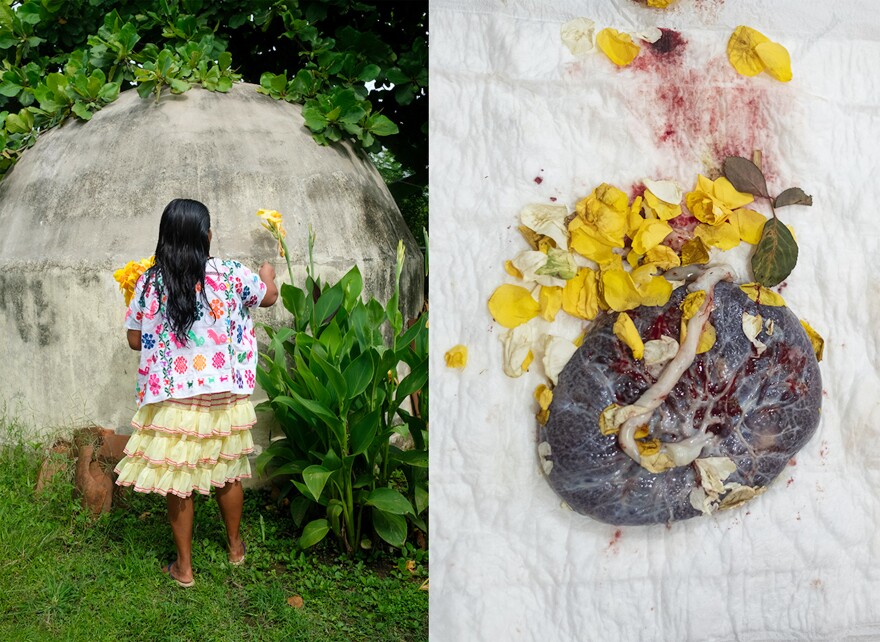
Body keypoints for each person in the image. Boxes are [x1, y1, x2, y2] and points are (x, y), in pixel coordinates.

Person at [114, 198, 278, 588]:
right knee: (227, 474)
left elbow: (136, 339)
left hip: (173, 397)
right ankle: (235, 549)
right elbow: (269, 296)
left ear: (165, 237)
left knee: (178, 481)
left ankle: (184, 568)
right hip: (222, 394)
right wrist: (269, 270)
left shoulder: (151, 281)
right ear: (206, 235)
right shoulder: (231, 274)